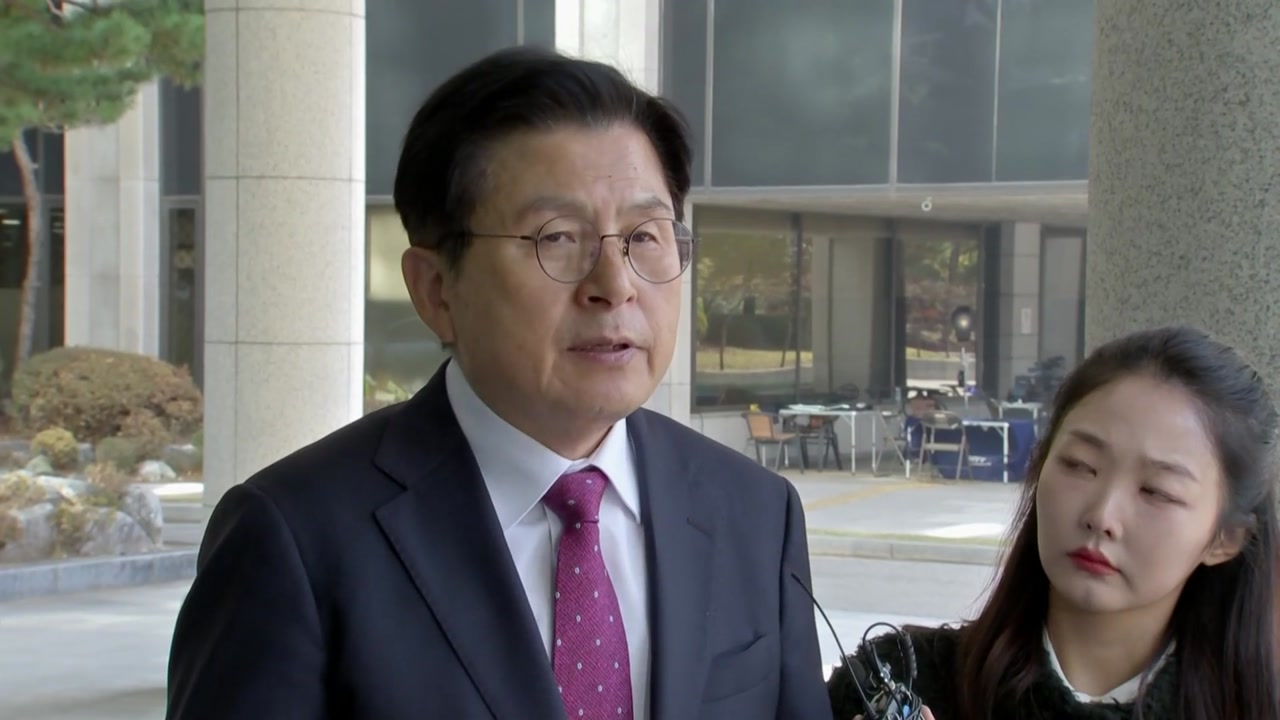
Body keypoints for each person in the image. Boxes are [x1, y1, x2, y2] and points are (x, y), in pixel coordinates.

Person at [166, 46, 830, 719]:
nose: (615, 285)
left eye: (644, 236)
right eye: (556, 238)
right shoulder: (294, 539)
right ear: (436, 289)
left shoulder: (755, 512)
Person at [829, 326, 1280, 720]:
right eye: (1080, 465)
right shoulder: (892, 682)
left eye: (1156, 491)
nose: (1102, 515)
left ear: (1225, 538)